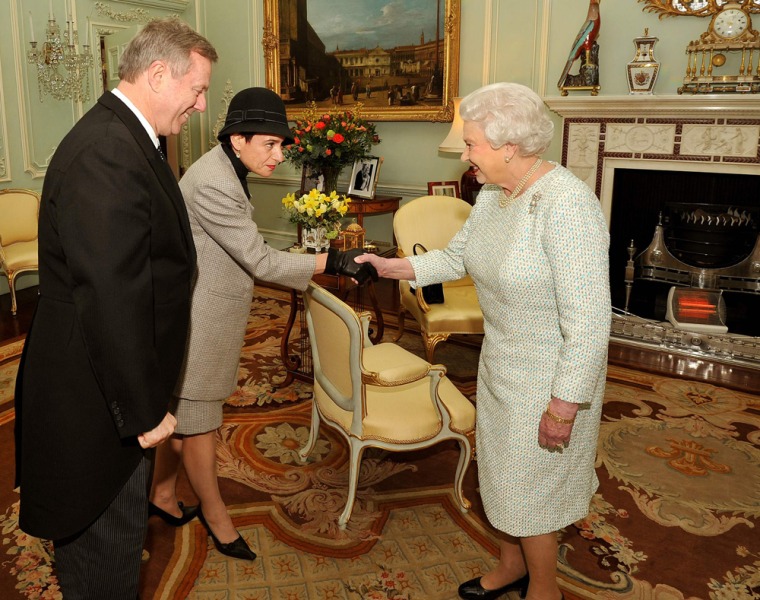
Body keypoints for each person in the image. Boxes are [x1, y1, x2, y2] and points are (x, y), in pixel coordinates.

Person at [355, 82, 610, 600]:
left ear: (509, 147)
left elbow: (589, 320)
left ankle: (545, 588)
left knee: (532, 490)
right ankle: (513, 566)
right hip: (502, 363)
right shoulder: (496, 195)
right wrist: (390, 266)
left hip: (550, 377)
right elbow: (455, 258)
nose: (465, 154)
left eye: (472, 144)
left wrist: (564, 404)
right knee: (505, 478)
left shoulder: (566, 206)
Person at [13, 18, 218, 599]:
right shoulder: (107, 150)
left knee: (120, 548)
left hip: (111, 394)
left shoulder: (128, 138)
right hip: (97, 403)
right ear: (158, 74)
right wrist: (145, 412)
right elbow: (111, 297)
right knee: (103, 560)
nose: (201, 107)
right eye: (197, 89)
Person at [148, 87, 377, 561]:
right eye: (269, 144)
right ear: (237, 140)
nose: (280, 155)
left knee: (181, 414)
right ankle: (217, 518)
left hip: (204, 307)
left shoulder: (223, 167)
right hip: (200, 318)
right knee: (199, 424)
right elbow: (260, 261)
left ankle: (162, 496)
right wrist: (334, 259)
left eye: (281, 144)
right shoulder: (213, 181)